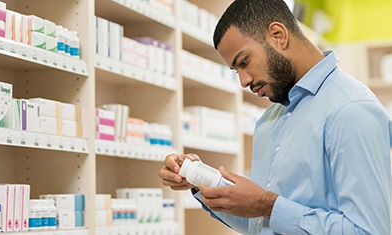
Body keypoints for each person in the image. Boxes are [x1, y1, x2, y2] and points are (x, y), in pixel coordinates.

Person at [158, 0, 392, 234]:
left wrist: (267, 205)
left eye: (244, 62)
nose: (243, 81)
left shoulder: (351, 110)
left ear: (278, 35)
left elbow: (369, 231)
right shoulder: (269, 121)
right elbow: (260, 223)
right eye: (236, 70)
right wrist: (198, 177)